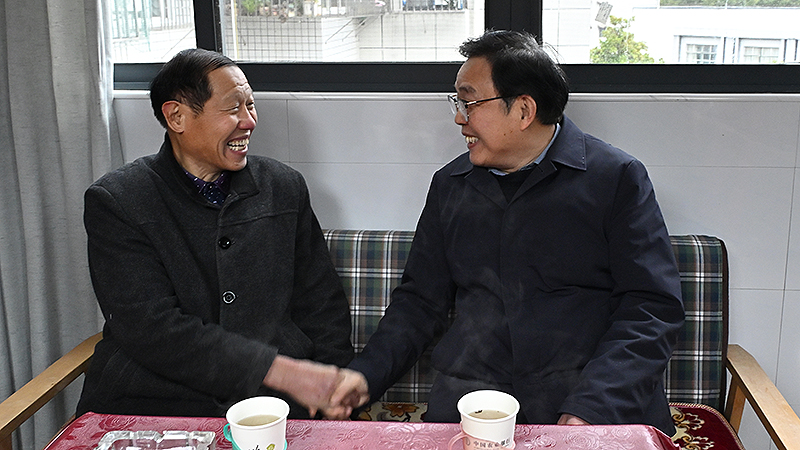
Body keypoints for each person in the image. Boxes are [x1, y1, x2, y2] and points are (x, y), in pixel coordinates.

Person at [329, 30, 685, 435]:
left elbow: (651, 308)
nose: (459, 118)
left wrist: (593, 407)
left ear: (523, 110)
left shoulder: (616, 179)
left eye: (469, 102)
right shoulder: (451, 186)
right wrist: (366, 375)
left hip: (587, 395)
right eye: (458, 103)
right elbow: (419, 302)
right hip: (474, 395)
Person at [76, 48, 356, 419]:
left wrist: (335, 390)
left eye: (251, 105)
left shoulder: (283, 187)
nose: (249, 121)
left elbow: (321, 303)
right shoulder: (118, 201)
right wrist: (282, 371)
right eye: (232, 108)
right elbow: (152, 329)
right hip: (157, 402)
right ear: (176, 116)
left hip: (272, 402)